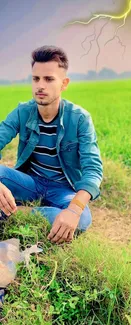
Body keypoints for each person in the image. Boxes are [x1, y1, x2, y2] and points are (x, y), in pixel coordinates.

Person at [0, 45, 103, 244]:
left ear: (64, 84)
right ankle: (27, 209)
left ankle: (18, 211)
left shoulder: (80, 118)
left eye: (49, 79)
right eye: (36, 79)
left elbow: (93, 169)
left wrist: (73, 210)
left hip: (64, 189)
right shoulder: (23, 112)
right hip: (30, 183)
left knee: (82, 219)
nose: (40, 86)